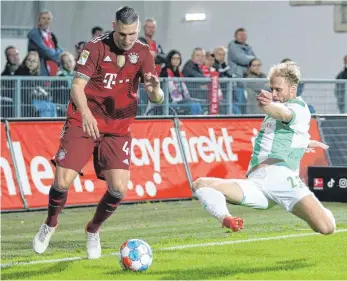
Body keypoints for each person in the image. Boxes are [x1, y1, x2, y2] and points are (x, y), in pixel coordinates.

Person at [32, 6, 164, 259]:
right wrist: (86, 114)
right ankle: (50, 224)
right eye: (123, 34)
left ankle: (93, 229)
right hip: (84, 121)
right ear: (114, 26)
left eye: (133, 34)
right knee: (62, 181)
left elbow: (156, 98)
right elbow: (77, 86)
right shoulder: (94, 47)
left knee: (119, 189)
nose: (128, 40)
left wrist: (155, 90)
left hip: (118, 128)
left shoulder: (144, 52)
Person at [192, 61, 336, 235]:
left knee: (326, 228)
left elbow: (285, 114)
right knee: (200, 184)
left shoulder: (299, 107)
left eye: (278, 90)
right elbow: (283, 132)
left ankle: (321, 213)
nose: (274, 94)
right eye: (272, 89)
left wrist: (268, 105)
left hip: (280, 178)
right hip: (258, 180)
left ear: (293, 88)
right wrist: (304, 141)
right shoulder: (274, 113)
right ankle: (226, 218)